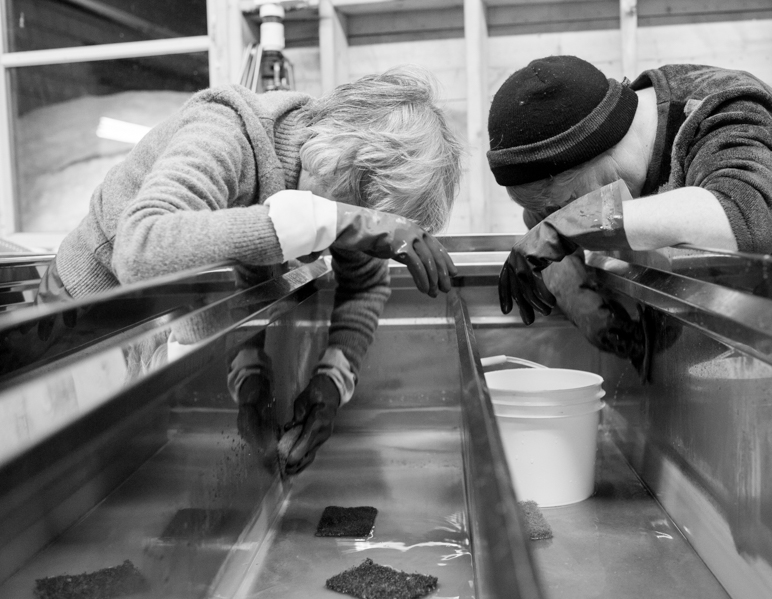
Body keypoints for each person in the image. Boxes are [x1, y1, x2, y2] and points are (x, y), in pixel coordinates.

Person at [38, 66, 463, 474]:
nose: (352, 230)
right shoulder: (224, 130)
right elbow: (141, 251)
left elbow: (365, 282)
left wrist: (332, 379)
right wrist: (336, 221)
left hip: (169, 325)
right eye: (356, 217)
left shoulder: (331, 185)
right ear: (334, 162)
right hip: (81, 327)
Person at [486, 55, 772, 344]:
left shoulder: (727, 108)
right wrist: (577, 298)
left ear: (594, 154)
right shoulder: (596, 173)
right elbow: (546, 225)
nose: (565, 214)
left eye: (570, 202)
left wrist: (574, 225)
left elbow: (742, 218)